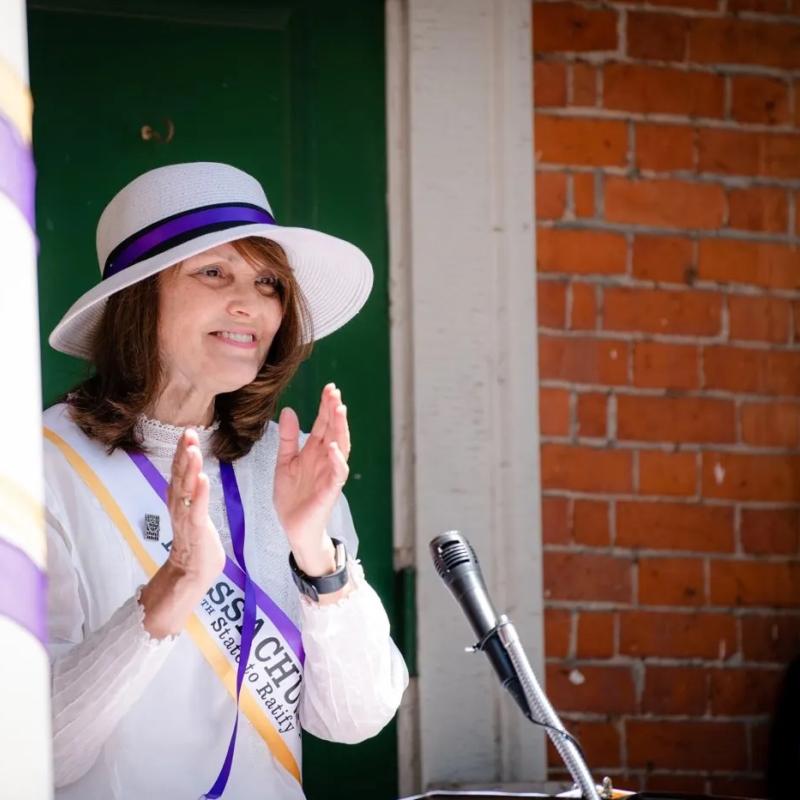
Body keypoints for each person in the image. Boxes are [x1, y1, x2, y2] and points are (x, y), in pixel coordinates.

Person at [42, 162, 408, 799]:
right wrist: (176, 585)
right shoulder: (39, 464)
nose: (250, 303)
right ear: (139, 297)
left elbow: (352, 719)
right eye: (213, 272)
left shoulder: (287, 466)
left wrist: (316, 555)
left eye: (267, 282)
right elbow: (33, 751)